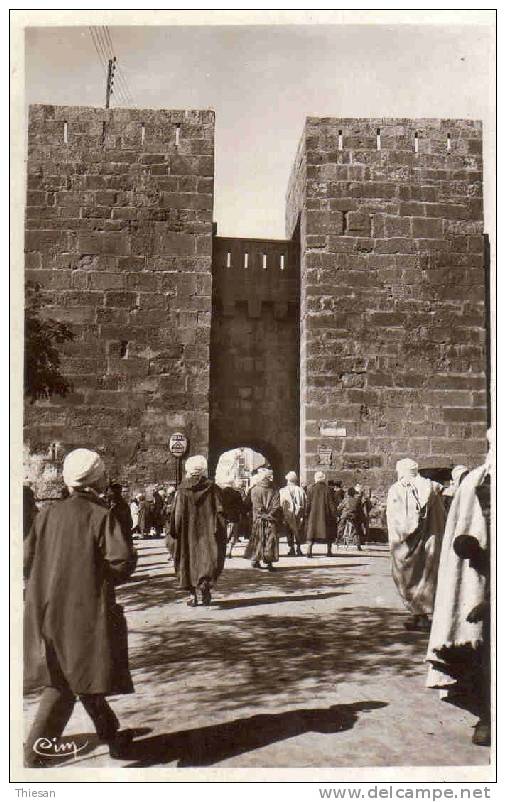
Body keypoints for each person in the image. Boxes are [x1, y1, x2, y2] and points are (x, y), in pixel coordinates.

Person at [23, 448, 138, 768]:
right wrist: (98, 577)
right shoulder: (101, 515)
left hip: (46, 607)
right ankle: (34, 753)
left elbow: (25, 558)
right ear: (96, 478)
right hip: (84, 611)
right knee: (65, 682)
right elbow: (121, 561)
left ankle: (112, 736)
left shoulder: (47, 514)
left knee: (76, 674)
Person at [426, 451, 491, 747]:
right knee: (484, 645)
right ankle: (489, 715)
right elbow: (465, 529)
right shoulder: (475, 482)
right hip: (485, 575)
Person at [386, 458, 445, 631]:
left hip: (406, 543)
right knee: (426, 575)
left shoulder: (397, 490)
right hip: (430, 540)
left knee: (408, 575)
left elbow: (398, 520)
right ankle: (419, 613)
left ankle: (421, 615)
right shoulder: (432, 488)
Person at [169, 455, 227, 606]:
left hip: (187, 533)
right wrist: (221, 531)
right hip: (208, 533)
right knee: (206, 560)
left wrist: (175, 531)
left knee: (188, 561)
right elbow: (220, 511)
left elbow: (177, 514)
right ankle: (206, 591)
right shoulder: (212, 488)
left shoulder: (182, 490)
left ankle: (192, 595)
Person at [244, 468, 282, 570]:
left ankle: (255, 560)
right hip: (271, 519)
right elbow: (277, 505)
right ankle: (269, 562)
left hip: (258, 519)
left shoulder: (254, 490)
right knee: (270, 540)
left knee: (258, 539)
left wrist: (263, 514)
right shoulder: (275, 489)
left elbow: (257, 506)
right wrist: (270, 515)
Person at [305, 471, 338, 558]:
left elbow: (308, 504)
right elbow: (332, 504)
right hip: (326, 515)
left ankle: (309, 550)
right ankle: (329, 551)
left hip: (313, 515)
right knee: (329, 532)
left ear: (315, 479)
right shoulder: (329, 489)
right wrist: (334, 514)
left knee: (312, 532)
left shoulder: (310, 489)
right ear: (324, 479)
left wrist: (306, 513)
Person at [280, 471, 306, 557]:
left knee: (289, 531)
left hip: (287, 514)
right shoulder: (300, 490)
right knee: (298, 531)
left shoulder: (283, 490)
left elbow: (281, 503)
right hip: (298, 514)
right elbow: (304, 502)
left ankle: (291, 548)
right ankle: (298, 548)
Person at [219, 478, 245, 558]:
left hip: (222, 517)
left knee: (223, 535)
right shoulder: (236, 494)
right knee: (233, 535)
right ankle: (229, 551)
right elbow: (241, 507)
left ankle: (222, 552)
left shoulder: (219, 493)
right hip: (234, 517)